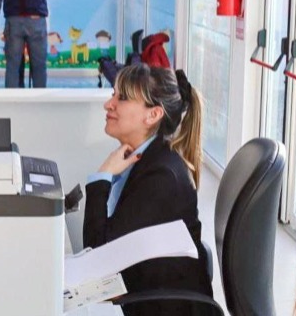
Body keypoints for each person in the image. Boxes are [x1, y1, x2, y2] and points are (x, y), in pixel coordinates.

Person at [83, 64, 213, 315]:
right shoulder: (147, 160)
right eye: (113, 94)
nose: (108, 105)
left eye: (122, 98)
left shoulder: (161, 176)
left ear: (153, 115)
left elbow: (98, 258)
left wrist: (102, 177)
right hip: (148, 294)